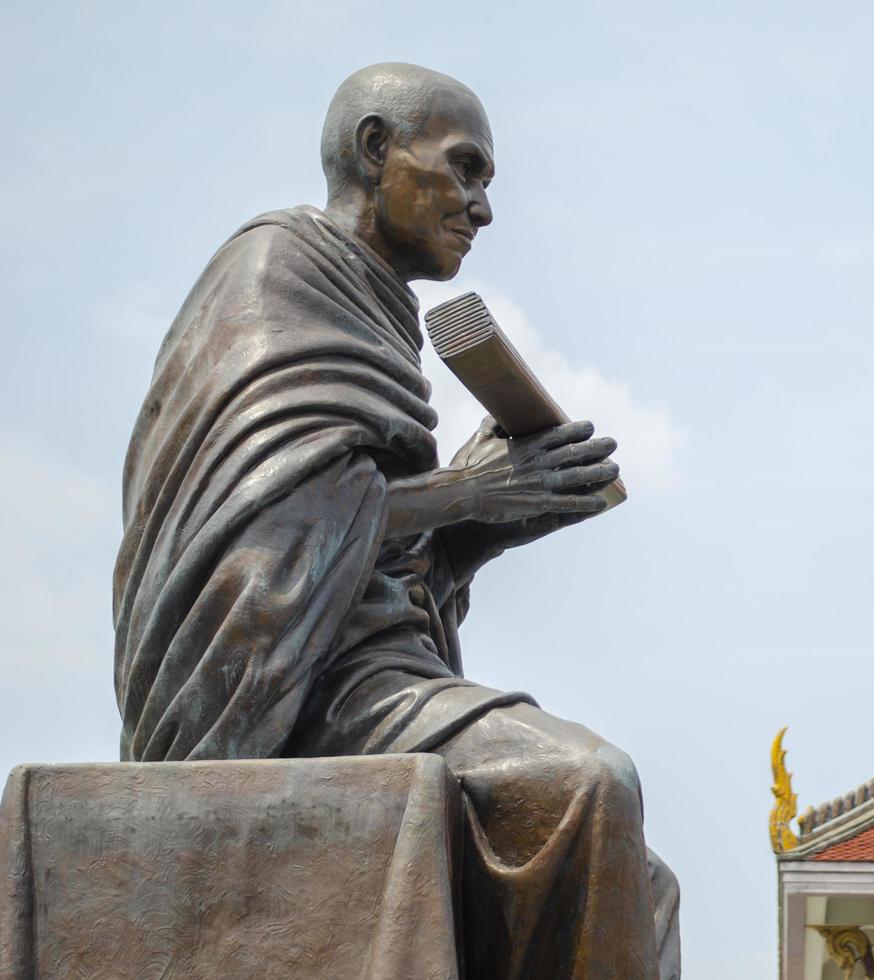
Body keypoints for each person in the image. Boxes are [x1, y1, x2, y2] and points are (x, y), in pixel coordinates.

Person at [112, 62, 679, 979]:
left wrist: (484, 526)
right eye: (465, 168)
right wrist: (473, 492)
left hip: (378, 672)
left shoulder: (381, 311)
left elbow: (366, 551)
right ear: (377, 149)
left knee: (643, 886)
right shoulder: (275, 271)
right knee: (592, 785)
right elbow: (263, 526)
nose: (481, 207)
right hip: (306, 694)